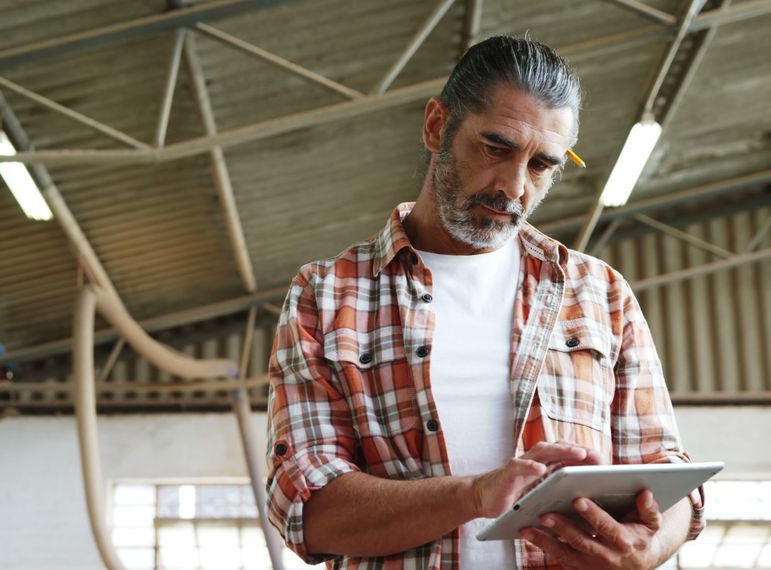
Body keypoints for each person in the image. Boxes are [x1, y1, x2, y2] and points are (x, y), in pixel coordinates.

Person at [263, 35, 705, 569]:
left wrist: (648, 549)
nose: (514, 188)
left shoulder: (600, 293)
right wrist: (474, 495)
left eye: (542, 165)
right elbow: (308, 513)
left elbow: (666, 476)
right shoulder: (327, 296)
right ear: (435, 126)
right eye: (496, 149)